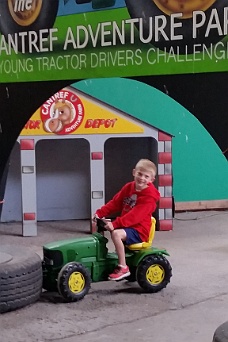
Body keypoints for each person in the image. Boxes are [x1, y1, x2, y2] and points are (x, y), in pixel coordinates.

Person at [93, 158, 160, 281]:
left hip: (139, 230)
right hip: (128, 226)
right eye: (140, 174)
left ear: (151, 180)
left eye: (146, 176)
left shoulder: (149, 197)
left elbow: (135, 216)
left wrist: (116, 223)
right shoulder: (128, 187)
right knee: (106, 226)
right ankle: (109, 259)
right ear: (134, 172)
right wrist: (100, 213)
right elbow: (115, 203)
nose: (142, 178)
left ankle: (123, 267)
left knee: (116, 234)